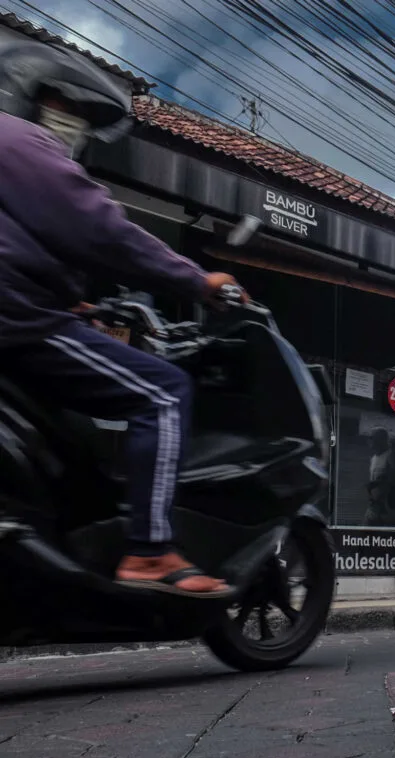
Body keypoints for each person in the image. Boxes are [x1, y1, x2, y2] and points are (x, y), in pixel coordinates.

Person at [0, 41, 244, 597]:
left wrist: (70, 299)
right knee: (162, 392)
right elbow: (99, 229)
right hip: (14, 317)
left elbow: (24, 241)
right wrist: (197, 280)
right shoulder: (18, 139)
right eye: (68, 108)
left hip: (22, 307)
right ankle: (150, 552)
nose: (74, 126)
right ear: (27, 94)